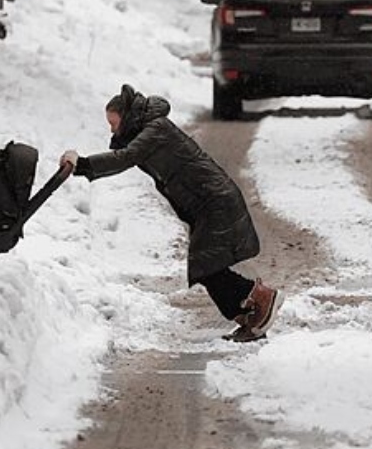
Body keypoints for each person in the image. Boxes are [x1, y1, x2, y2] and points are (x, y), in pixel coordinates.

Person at [63, 84, 280, 339]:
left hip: (214, 201)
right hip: (208, 202)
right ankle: (249, 315)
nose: (112, 129)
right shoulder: (148, 130)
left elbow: (125, 157)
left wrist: (83, 165)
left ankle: (260, 299)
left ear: (127, 116)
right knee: (206, 265)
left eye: (113, 123)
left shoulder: (157, 130)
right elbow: (126, 153)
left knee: (206, 265)